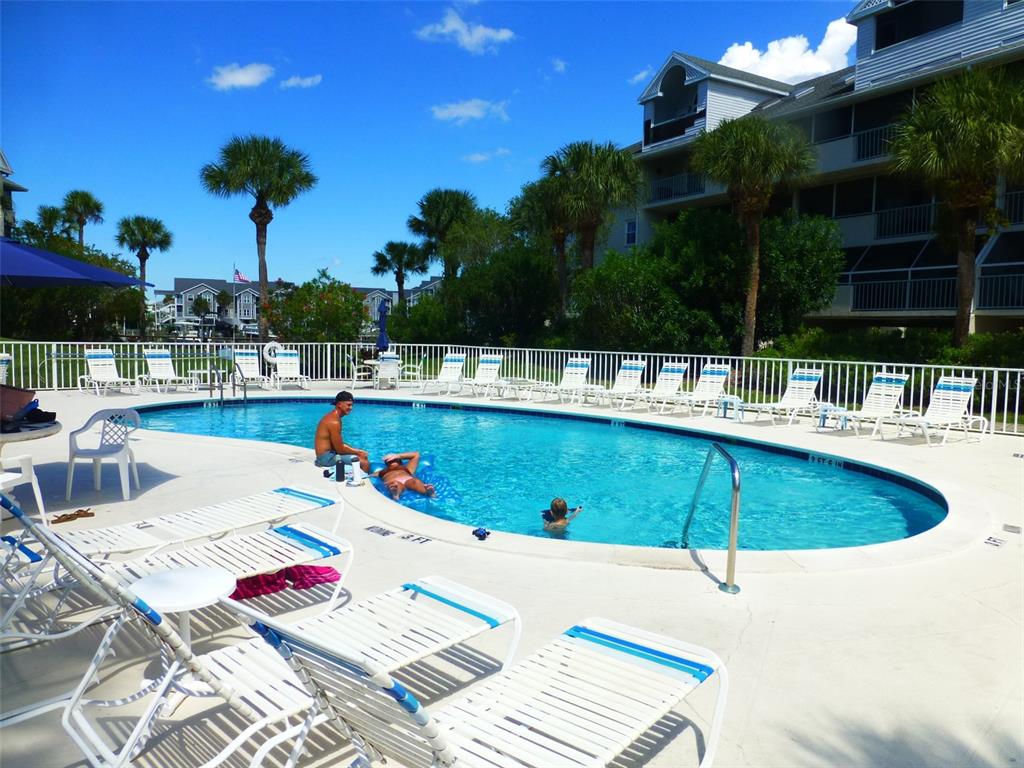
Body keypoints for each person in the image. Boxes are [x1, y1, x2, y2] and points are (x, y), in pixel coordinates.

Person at [314, 391, 370, 473]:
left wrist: (356, 451)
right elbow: (340, 449)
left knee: (359, 455)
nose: (351, 408)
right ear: (339, 404)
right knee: (363, 462)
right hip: (326, 459)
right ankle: (363, 483)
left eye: (351, 405)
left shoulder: (334, 417)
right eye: (348, 405)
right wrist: (358, 452)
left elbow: (338, 444)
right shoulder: (334, 421)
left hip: (329, 454)